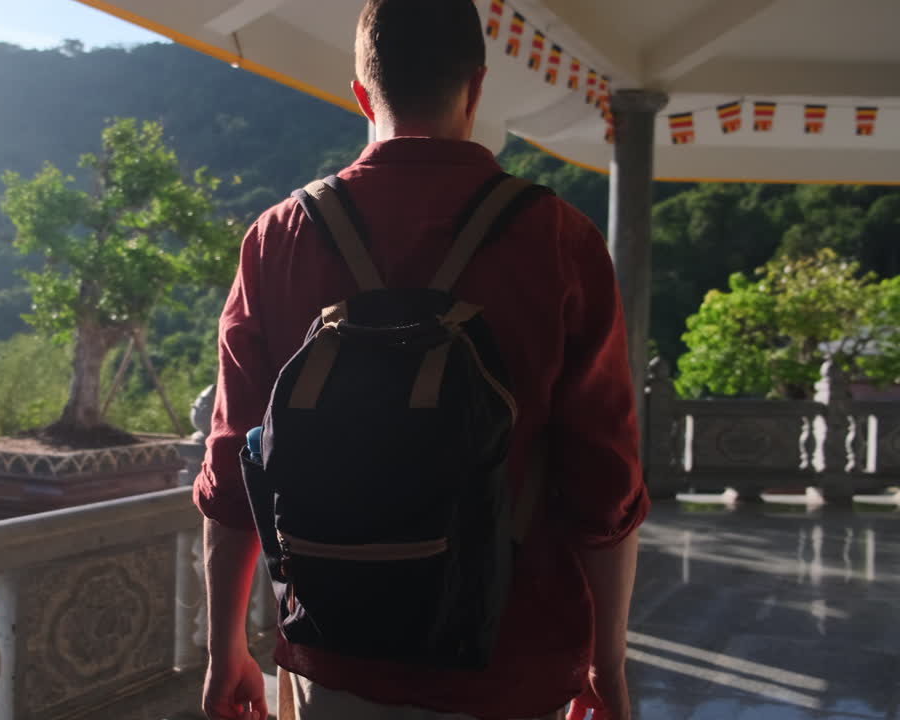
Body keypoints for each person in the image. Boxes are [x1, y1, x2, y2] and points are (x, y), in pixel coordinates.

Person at [194, 0, 650, 718]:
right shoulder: (559, 240)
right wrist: (608, 661)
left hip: (335, 652)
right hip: (512, 661)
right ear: (476, 86)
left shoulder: (278, 239)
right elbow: (606, 482)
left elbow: (232, 468)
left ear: (361, 93)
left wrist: (226, 652)